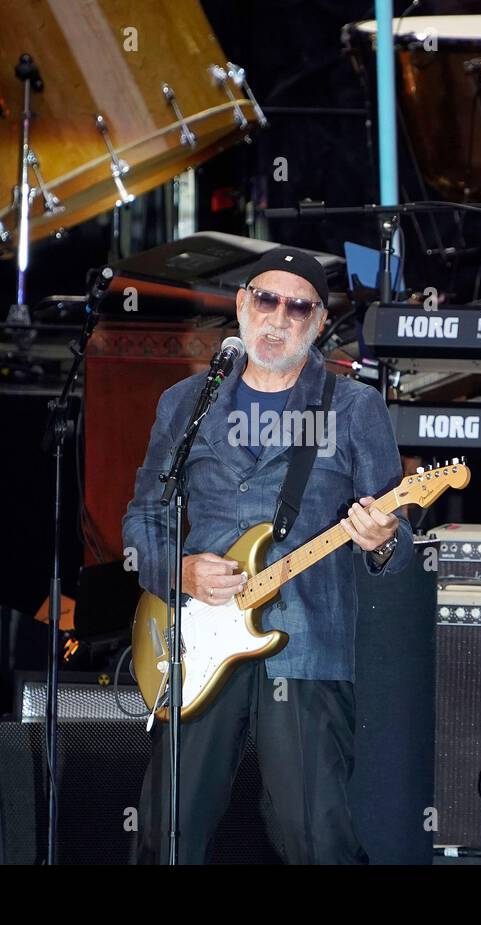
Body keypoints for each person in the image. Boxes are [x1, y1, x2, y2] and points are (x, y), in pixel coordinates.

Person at [121, 247, 414, 864]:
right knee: (166, 831)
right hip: (195, 642)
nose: (277, 317)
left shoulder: (353, 407)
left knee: (315, 836)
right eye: (265, 299)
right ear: (240, 306)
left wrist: (381, 536)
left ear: (315, 324)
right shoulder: (187, 402)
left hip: (307, 646)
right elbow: (144, 516)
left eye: (297, 306)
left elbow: (398, 539)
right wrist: (179, 573)